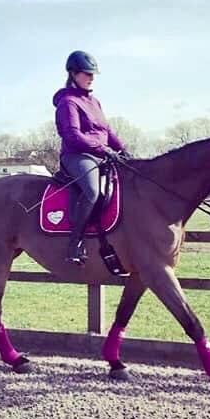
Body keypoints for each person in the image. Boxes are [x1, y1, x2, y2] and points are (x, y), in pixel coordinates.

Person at [53, 50, 128, 265]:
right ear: (74, 74)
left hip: (101, 154)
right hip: (78, 155)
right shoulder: (67, 102)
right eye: (87, 73)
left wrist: (123, 151)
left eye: (93, 74)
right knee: (93, 191)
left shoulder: (94, 102)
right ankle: (74, 243)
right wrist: (103, 149)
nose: (91, 77)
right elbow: (72, 136)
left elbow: (107, 131)